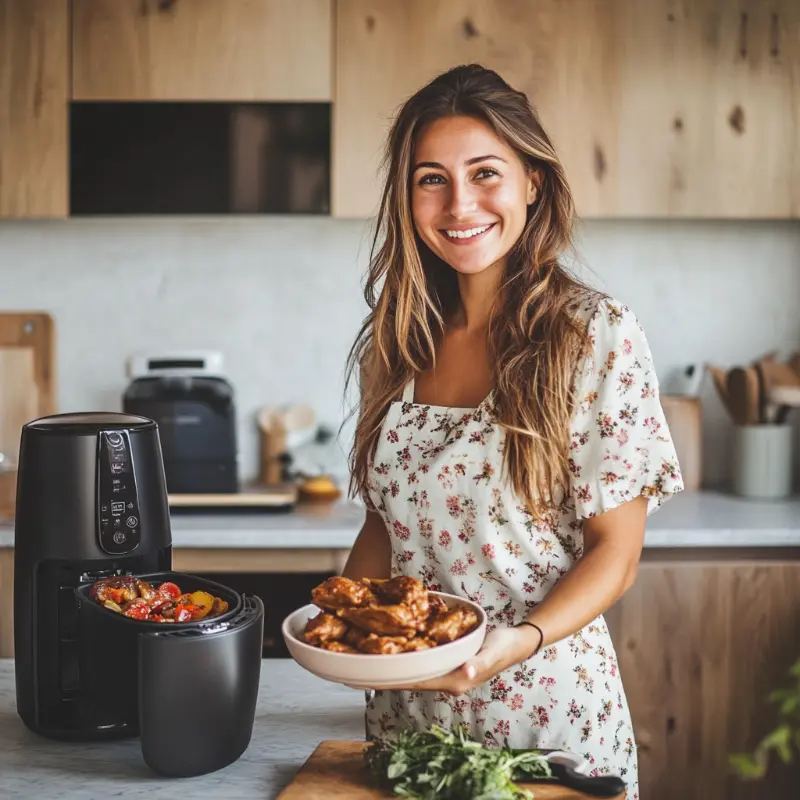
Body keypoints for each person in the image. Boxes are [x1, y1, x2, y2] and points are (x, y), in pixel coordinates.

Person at [342, 63, 683, 798]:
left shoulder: (593, 335)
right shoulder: (399, 341)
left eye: (485, 172)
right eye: (430, 178)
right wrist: (336, 622)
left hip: (546, 724)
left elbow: (616, 554)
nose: (458, 203)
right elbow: (386, 524)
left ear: (533, 180)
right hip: (410, 726)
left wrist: (516, 642)